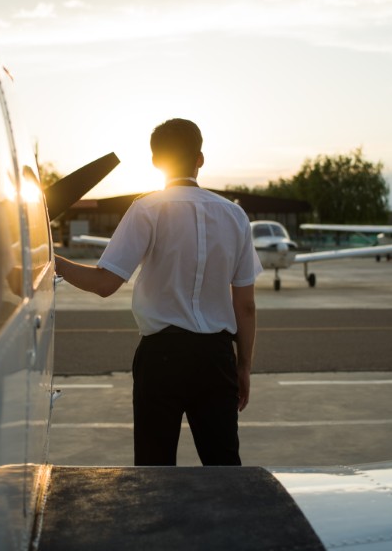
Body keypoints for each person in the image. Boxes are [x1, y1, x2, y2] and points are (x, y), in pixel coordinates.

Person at [55, 118, 261, 466]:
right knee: (224, 468)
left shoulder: (147, 208)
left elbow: (105, 284)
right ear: (200, 159)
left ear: (155, 161)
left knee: (153, 470)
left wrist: (54, 260)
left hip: (161, 356)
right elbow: (247, 306)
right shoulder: (235, 216)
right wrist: (243, 366)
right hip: (216, 357)